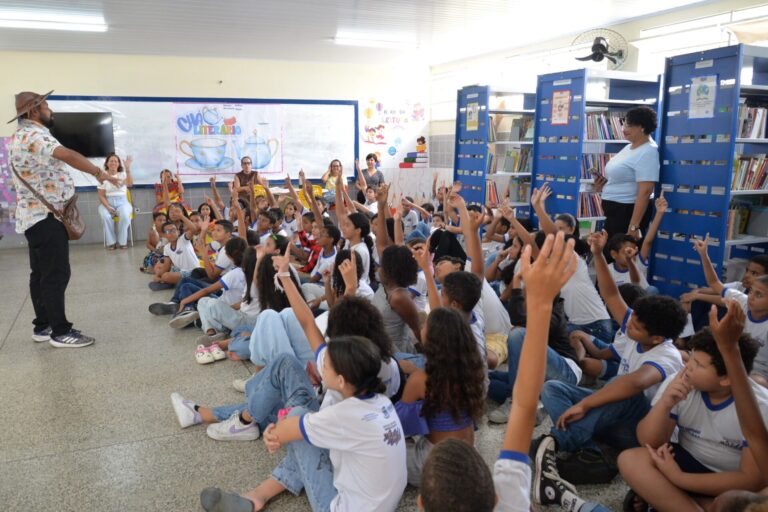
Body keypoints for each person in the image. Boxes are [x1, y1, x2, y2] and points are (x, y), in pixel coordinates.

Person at [418, 232, 590, 512]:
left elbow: (522, 404)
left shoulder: (511, 499)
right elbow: (524, 403)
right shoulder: (509, 499)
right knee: (509, 386)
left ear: (419, 505)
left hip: (550, 370)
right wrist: (542, 304)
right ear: (496, 497)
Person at [533, 229, 687, 499]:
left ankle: (557, 441)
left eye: (635, 327)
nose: (628, 326)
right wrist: (597, 254)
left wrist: (585, 405)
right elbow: (612, 295)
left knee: (622, 388)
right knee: (553, 388)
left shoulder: (667, 355)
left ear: (657, 337)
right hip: (611, 420)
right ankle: (590, 452)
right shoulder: (637, 331)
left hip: (638, 432)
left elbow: (635, 383)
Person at [618, 305, 766, 512]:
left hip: (733, 481)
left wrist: (678, 478)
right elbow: (648, 441)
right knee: (631, 459)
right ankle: (692, 504)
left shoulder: (759, 406)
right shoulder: (680, 382)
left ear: (726, 379)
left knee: (744, 499)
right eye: (691, 358)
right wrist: (665, 403)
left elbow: (751, 479)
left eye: (698, 365)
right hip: (688, 460)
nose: (687, 367)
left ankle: (674, 499)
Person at [9, 90, 120, 348]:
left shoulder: (22, 135)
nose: (51, 111)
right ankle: (60, 332)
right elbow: (67, 155)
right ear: (33, 110)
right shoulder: (34, 135)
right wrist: (99, 173)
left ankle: (43, 326)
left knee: (40, 273)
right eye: (47, 107)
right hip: (45, 217)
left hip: (34, 217)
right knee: (56, 274)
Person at [395, 307, 486, 487]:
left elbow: (398, 424)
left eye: (425, 325)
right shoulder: (471, 373)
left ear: (434, 340)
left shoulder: (419, 380)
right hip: (468, 457)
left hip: (434, 465)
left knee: (387, 449)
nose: (421, 327)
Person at [692, 234, 768, 386]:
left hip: (757, 370)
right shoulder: (743, 300)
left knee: (758, 383)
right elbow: (714, 283)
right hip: (731, 357)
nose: (751, 297)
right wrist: (704, 255)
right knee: (693, 360)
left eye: (759, 295)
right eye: (752, 291)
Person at [598, 106, 660, 239]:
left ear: (642, 127)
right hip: (614, 212)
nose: (623, 129)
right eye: (624, 124)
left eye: (629, 125)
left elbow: (645, 191)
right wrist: (602, 186)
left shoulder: (648, 151)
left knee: (621, 250)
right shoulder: (629, 147)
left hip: (626, 212)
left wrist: (633, 226)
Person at [96, 152, 134, 250]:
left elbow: (129, 184)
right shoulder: (102, 177)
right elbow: (101, 195)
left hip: (123, 202)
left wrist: (128, 169)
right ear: (107, 163)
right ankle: (111, 242)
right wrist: (108, 207)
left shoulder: (123, 174)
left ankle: (122, 242)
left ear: (119, 164)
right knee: (105, 216)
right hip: (107, 202)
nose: (113, 163)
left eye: (116, 161)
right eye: (111, 161)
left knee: (125, 215)